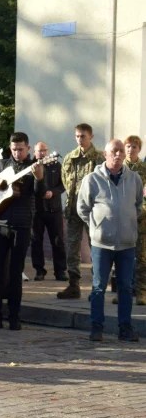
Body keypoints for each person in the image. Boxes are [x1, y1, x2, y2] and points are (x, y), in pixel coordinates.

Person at [0, 132, 44, 331]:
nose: (17, 152)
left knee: (15, 274)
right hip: (0, 223)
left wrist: (39, 178)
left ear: (29, 148)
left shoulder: (34, 167)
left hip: (22, 225)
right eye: (14, 149)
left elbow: (40, 195)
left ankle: (15, 317)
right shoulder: (2, 165)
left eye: (21, 149)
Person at [77, 139, 141, 342]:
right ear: (105, 154)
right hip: (101, 244)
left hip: (127, 244)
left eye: (121, 151)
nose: (118, 154)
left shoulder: (134, 179)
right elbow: (82, 208)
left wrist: (127, 222)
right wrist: (97, 226)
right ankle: (96, 327)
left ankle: (125, 328)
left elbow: (138, 205)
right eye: (114, 151)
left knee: (125, 287)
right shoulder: (92, 179)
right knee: (98, 287)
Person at [58, 123, 102, 299]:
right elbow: (65, 182)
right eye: (77, 136)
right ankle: (73, 285)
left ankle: (97, 286)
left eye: (83, 136)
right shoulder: (69, 158)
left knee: (96, 248)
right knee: (72, 247)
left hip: (93, 212)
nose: (79, 139)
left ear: (91, 136)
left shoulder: (99, 159)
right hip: (73, 210)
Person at [30, 142, 66, 281]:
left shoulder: (56, 165)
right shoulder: (30, 167)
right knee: (36, 241)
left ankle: (60, 271)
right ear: (34, 152)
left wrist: (53, 192)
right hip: (37, 211)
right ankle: (39, 271)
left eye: (44, 150)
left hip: (54, 209)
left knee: (58, 241)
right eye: (39, 151)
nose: (42, 153)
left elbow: (63, 185)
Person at [122, 135, 146, 305]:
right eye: (128, 146)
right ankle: (125, 291)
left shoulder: (144, 169)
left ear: (139, 149)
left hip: (141, 219)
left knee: (141, 256)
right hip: (122, 219)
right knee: (123, 256)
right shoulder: (119, 168)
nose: (131, 150)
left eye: (134, 147)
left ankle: (141, 292)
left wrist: (139, 212)